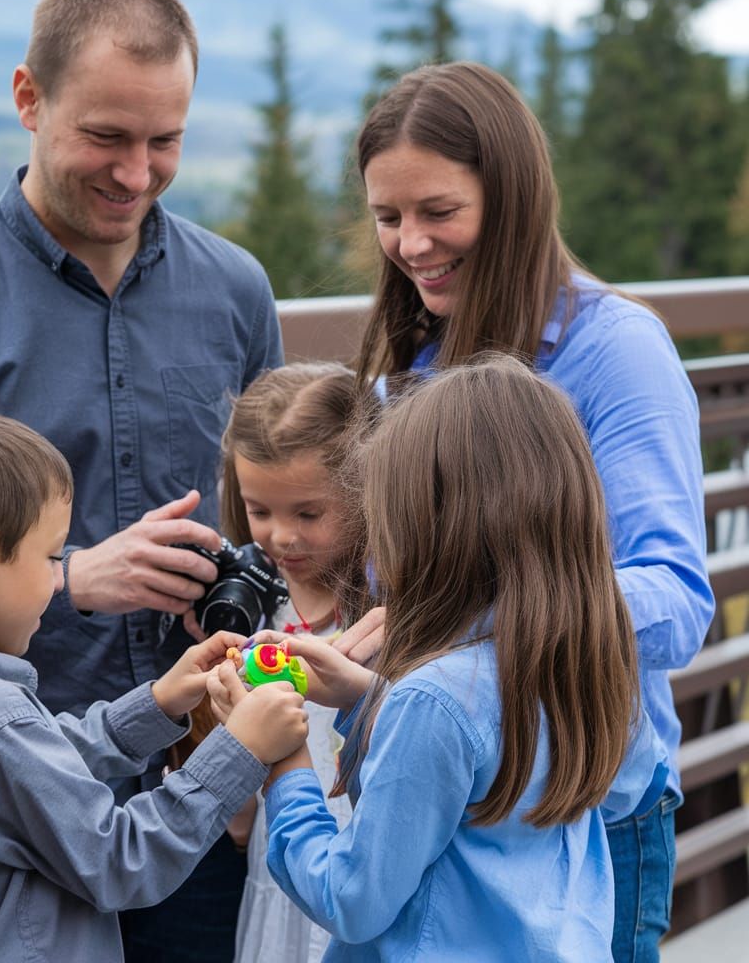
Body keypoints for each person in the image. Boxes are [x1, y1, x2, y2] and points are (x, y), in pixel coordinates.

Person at [0, 0, 283, 960]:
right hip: (8, 828)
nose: (136, 172)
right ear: (28, 100)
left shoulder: (238, 291)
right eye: (106, 137)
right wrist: (76, 576)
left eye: (163, 140)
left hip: (197, 773)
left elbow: (284, 521)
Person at [334, 61, 713, 961]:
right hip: (433, 790)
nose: (411, 245)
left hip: (582, 812)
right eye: (388, 218)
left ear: (510, 199)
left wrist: (468, 620)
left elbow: (676, 601)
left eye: (439, 213)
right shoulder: (414, 361)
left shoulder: (617, 352)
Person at [210, 355, 670, 961]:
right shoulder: (590, 657)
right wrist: (369, 695)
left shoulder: (433, 701)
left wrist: (285, 762)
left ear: (433, 528)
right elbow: (630, 787)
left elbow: (352, 898)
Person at [0, 397, 308, 963]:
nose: (57, 578)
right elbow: (121, 859)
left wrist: (159, 703)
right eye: (49, 558)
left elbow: (32, 775)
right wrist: (239, 749)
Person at [215, 363, 373, 963]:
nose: (281, 538)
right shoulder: (250, 602)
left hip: (358, 850)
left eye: (308, 514)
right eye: (260, 511)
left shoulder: (384, 613)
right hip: (279, 848)